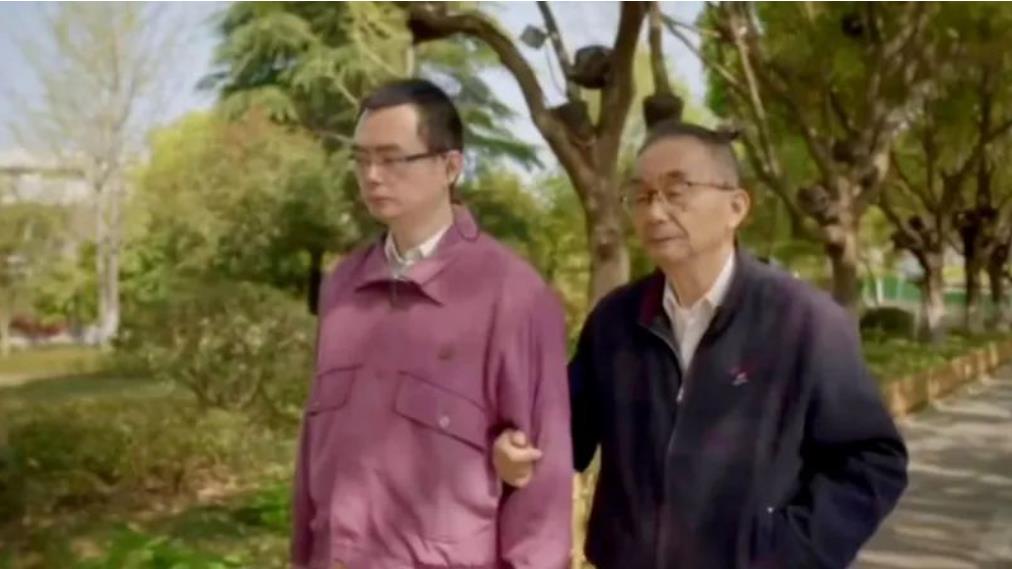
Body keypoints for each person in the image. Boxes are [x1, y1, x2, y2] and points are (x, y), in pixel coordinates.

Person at [492, 121, 909, 568]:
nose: (655, 212)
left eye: (677, 192)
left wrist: (788, 554)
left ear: (736, 207)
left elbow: (871, 460)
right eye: (641, 196)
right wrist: (511, 448)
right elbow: (561, 433)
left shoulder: (803, 321)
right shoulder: (616, 321)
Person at [291, 78, 573, 569]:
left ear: (450, 166)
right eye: (361, 159)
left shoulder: (513, 296)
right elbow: (313, 450)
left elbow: (541, 493)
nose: (372, 176)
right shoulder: (343, 286)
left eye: (392, 159)